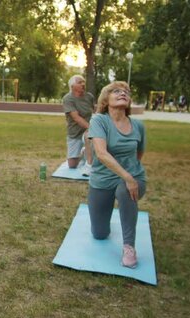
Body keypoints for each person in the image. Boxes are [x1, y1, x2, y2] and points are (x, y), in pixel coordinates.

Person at [87, 81, 146, 269]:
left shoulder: (138, 126)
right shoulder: (99, 120)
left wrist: (130, 178)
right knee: (99, 233)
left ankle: (129, 246)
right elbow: (102, 154)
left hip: (132, 178)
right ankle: (106, 222)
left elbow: (139, 154)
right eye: (117, 91)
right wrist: (127, 177)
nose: (123, 93)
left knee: (124, 192)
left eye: (126, 92)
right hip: (103, 179)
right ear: (106, 98)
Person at [62, 75, 95, 176]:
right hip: (74, 132)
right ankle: (84, 152)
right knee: (72, 165)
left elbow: (94, 112)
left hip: (88, 131)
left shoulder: (89, 97)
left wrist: (94, 129)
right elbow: (76, 118)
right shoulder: (68, 99)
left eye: (83, 82)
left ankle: (89, 162)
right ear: (72, 86)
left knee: (88, 137)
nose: (83, 84)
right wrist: (92, 128)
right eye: (80, 82)